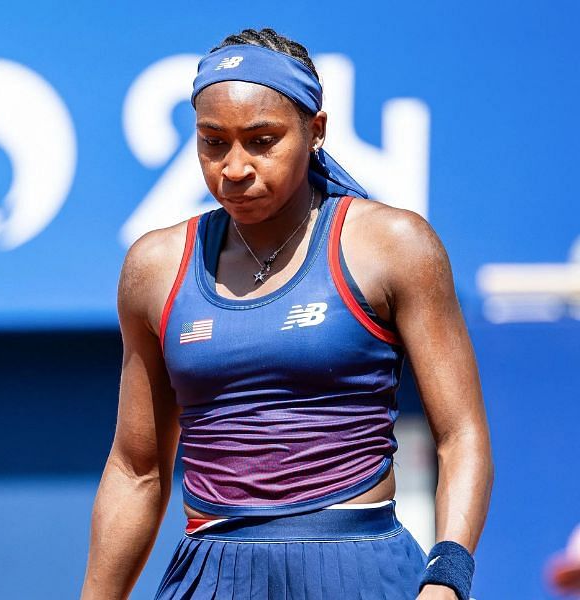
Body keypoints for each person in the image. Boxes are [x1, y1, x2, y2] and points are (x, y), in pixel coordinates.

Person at [80, 28, 492, 600]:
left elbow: (461, 434)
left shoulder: (394, 244)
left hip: (361, 568)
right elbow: (135, 469)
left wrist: (447, 579)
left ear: (315, 131)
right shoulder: (153, 266)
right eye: (213, 142)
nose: (235, 167)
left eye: (262, 140)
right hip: (208, 574)